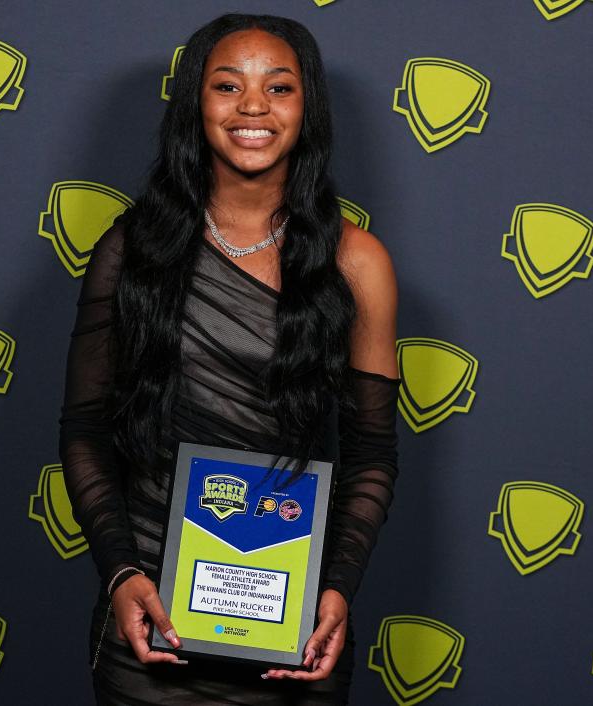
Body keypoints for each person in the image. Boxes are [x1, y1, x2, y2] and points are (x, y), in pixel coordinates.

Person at [58, 12, 400, 705]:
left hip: (294, 625)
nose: (252, 107)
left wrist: (336, 590)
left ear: (308, 110)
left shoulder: (357, 261)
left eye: (279, 89)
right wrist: (122, 574)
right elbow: (86, 427)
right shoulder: (132, 250)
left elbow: (372, 451)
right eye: (227, 86)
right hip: (153, 618)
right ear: (195, 104)